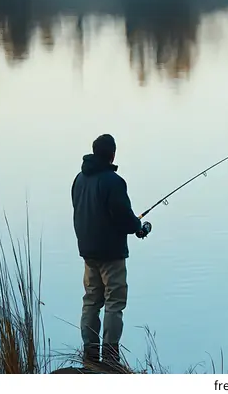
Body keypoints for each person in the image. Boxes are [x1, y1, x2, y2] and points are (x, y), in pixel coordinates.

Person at [71, 134, 151, 370]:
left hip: (88, 251)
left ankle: (90, 353)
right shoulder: (113, 181)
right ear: (112, 154)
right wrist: (139, 227)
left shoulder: (79, 179)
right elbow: (124, 218)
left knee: (91, 301)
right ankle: (111, 356)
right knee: (114, 303)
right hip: (111, 255)